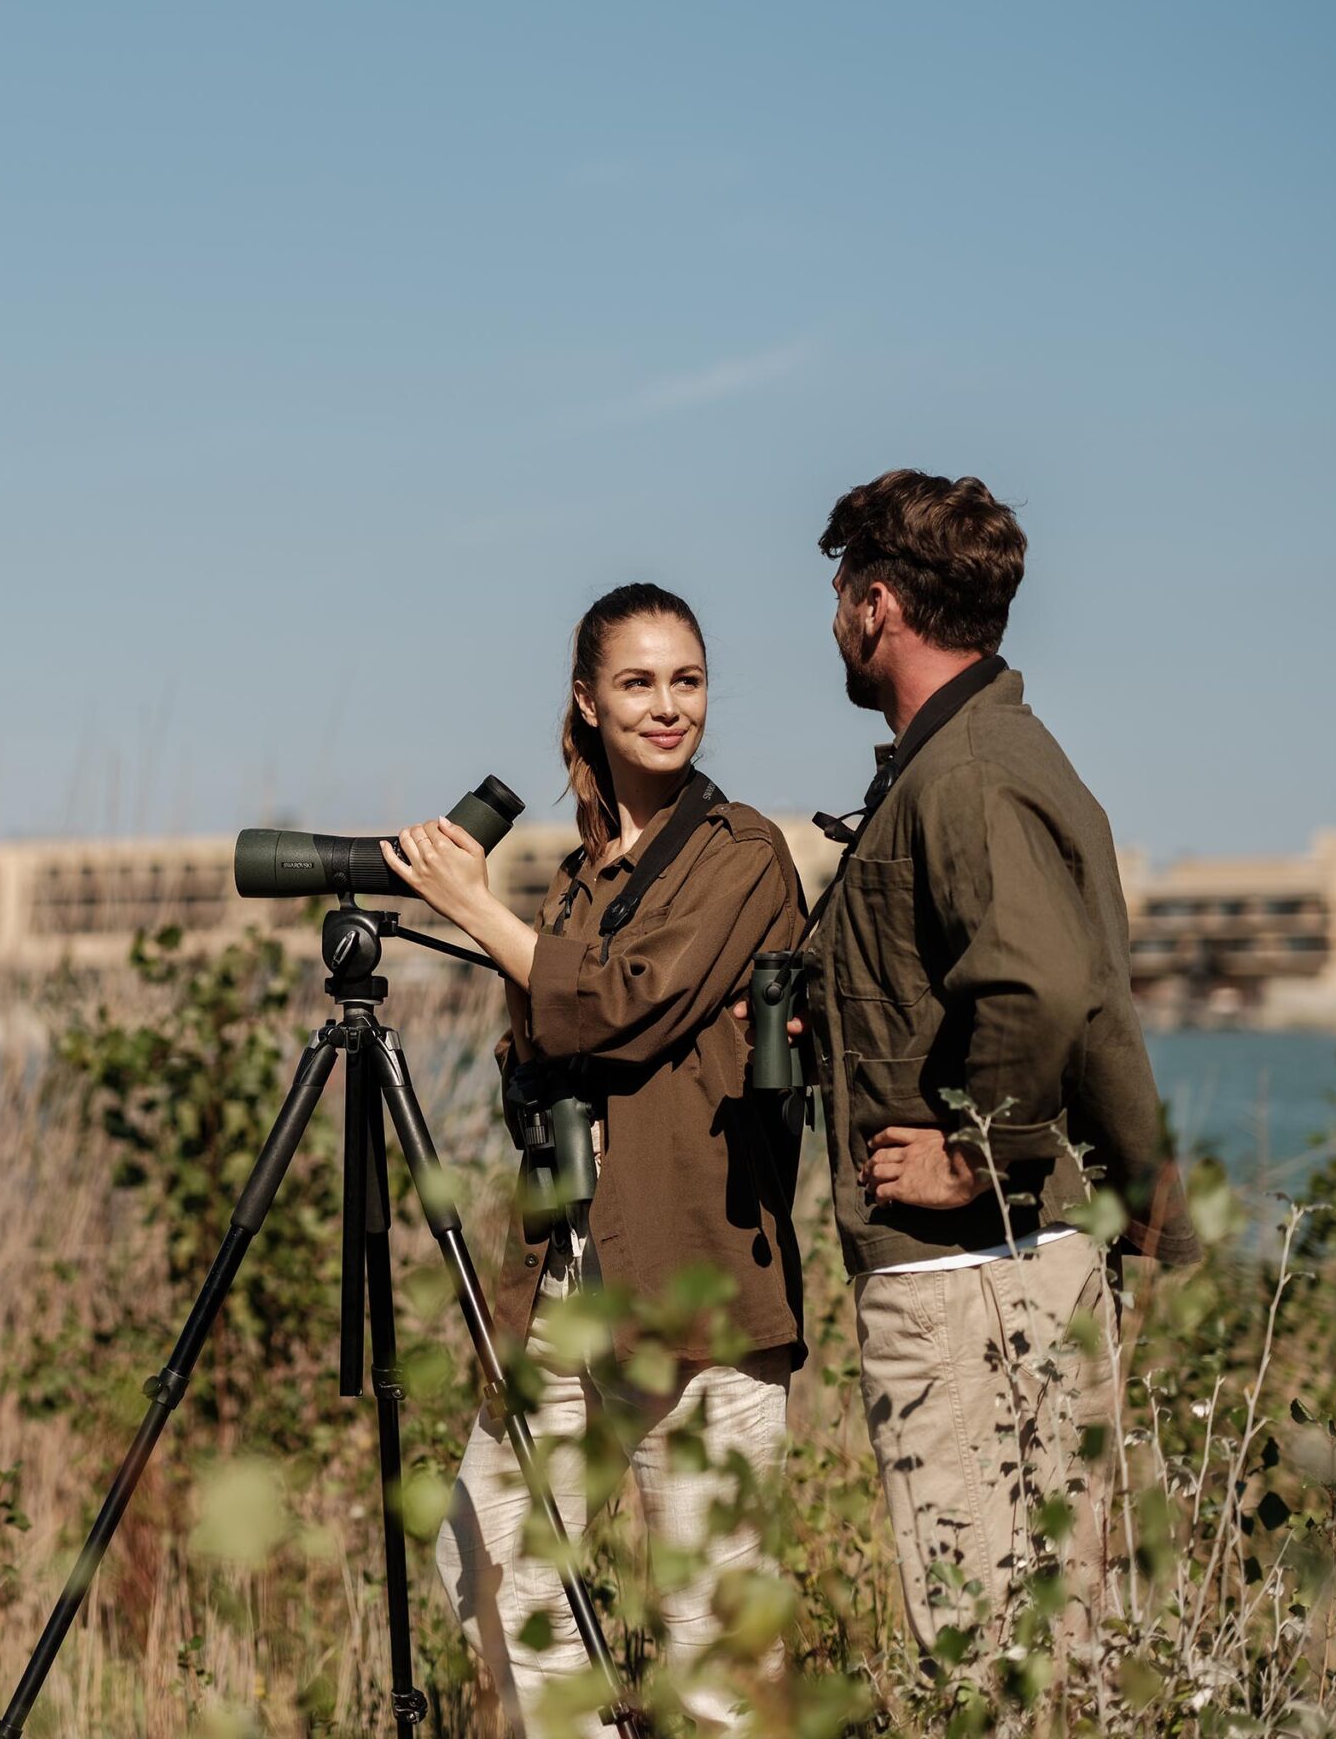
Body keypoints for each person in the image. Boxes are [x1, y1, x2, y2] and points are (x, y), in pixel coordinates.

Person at [385, 582, 806, 1735]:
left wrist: (475, 907)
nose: (668, 706)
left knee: (711, 1640)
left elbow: (624, 1007)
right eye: (638, 682)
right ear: (586, 700)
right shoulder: (578, 877)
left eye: (687, 681)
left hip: (701, 1277)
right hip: (570, 1283)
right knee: (491, 1564)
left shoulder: (740, 852)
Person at [791, 469, 1199, 1658]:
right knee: (1052, 1643)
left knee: (984, 1649)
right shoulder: (985, 752)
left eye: (836, 591)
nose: (832, 617)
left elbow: (1038, 982)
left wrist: (979, 1156)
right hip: (1013, 1260)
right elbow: (991, 975)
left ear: (876, 606)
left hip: (970, 1267)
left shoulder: (962, 774)